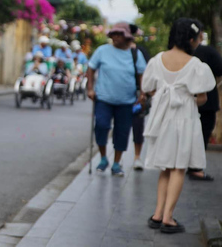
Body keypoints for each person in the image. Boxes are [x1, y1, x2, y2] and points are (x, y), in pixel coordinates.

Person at [143, 18, 216, 234]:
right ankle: (168, 217)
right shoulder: (195, 65)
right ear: (191, 39)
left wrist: (165, 96)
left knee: (166, 166)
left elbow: (148, 88)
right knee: (179, 167)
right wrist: (186, 99)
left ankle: (157, 214)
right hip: (185, 118)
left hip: (163, 118)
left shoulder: (157, 60)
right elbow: (201, 98)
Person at [86, 22, 146, 177]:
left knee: (122, 132)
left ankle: (116, 163)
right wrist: (90, 88)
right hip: (103, 98)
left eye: (119, 34)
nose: (115, 37)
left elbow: (142, 74)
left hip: (126, 101)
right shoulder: (102, 51)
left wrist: (143, 93)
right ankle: (103, 158)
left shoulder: (134, 54)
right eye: (113, 34)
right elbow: (91, 68)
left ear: (126, 37)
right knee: (101, 125)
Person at [187, 39, 222, 181]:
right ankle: (196, 167)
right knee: (203, 132)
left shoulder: (178, 54)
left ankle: (188, 164)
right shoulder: (207, 51)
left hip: (185, 98)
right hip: (206, 99)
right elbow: (220, 69)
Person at [129, 24, 152, 171]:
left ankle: (137, 157)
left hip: (137, 95)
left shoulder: (140, 52)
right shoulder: (113, 51)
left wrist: (144, 93)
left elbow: (147, 72)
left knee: (138, 126)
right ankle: (115, 159)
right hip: (118, 96)